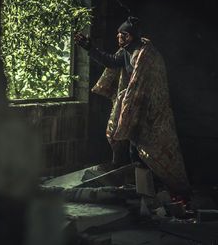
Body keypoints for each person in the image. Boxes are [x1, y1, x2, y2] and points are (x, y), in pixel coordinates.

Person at [75, 16, 190, 194]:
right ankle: (143, 191)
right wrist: (89, 48)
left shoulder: (145, 54)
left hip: (152, 112)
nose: (118, 36)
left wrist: (127, 99)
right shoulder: (127, 51)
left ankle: (160, 192)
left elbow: (144, 85)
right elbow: (112, 61)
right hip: (136, 109)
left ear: (128, 36)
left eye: (121, 34)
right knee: (135, 150)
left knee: (151, 151)